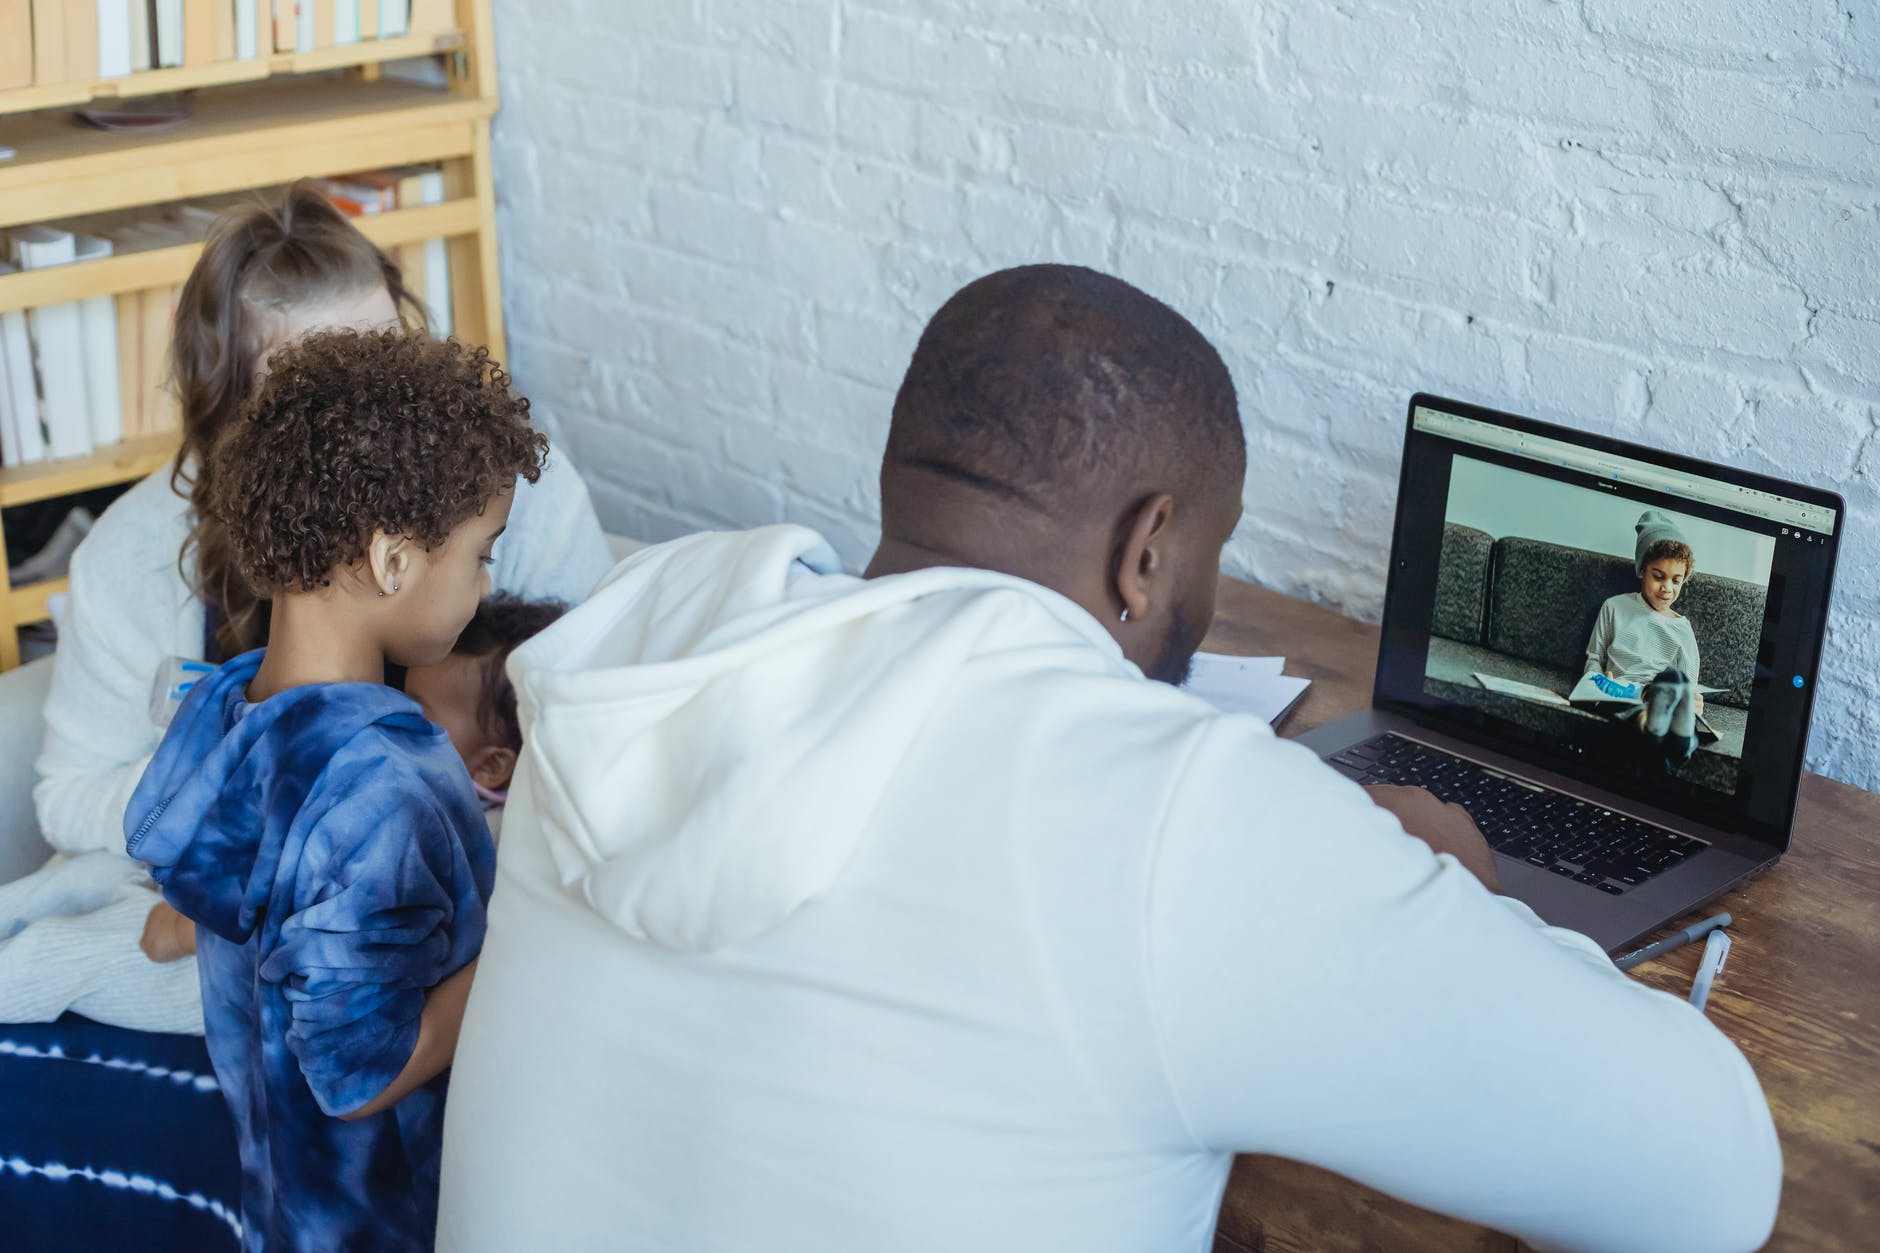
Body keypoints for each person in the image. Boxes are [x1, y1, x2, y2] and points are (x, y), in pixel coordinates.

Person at [437, 266, 1781, 1253]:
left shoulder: (638, 643)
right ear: (1150, 550)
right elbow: (1713, 1179)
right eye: (1207, 558)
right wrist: (1453, 897)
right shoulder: (1173, 820)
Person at [2, 183, 611, 1034]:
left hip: (412, 894)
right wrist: (247, 797)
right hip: (212, 876)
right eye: (324, 390)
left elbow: (589, 741)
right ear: (233, 419)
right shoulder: (133, 554)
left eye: (387, 358)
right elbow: (70, 797)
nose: (380, 412)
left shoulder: (512, 496)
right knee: (65, 918)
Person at [128, 328, 542, 1252]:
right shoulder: (381, 786)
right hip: (395, 1218)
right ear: (395, 560)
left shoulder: (230, 706)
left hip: (280, 1201)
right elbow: (359, 1072)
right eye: (481, 552)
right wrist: (525, 945)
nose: (483, 585)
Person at [139, 593, 569, 964]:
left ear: (492, 767)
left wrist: (184, 934)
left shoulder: (425, 828)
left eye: (414, 709)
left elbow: (316, 919)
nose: (386, 708)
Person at [1583, 510, 1706, 765]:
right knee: (1624, 706)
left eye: (1676, 580)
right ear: (1641, 571)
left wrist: (1691, 701)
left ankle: (1667, 728)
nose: (1667, 588)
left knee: (1672, 693)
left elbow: (1687, 683)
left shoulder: (1682, 629)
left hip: (1661, 694)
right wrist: (1596, 681)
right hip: (1621, 691)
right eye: (1658, 576)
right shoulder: (1614, 607)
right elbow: (1595, 656)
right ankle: (1674, 738)